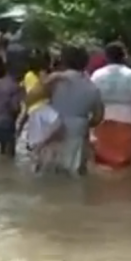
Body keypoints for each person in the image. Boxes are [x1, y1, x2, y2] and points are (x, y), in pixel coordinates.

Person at [28, 45, 104, 176]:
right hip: (78, 133)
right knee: (74, 174)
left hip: (54, 130)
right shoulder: (93, 87)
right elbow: (98, 117)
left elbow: (30, 99)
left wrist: (46, 81)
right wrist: (83, 123)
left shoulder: (56, 80)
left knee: (48, 174)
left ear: (63, 61)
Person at [89, 42, 131, 169]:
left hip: (103, 116)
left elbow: (93, 97)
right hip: (127, 116)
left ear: (106, 56)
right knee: (125, 159)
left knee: (103, 159)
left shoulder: (97, 74)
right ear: (124, 56)